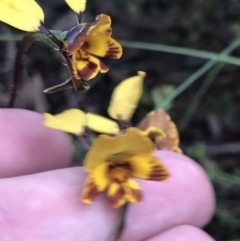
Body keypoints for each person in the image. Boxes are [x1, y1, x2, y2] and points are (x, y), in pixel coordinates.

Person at [0, 109, 215, 241]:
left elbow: (159, 173)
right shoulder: (99, 177)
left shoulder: (145, 169)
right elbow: (89, 193)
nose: (121, 176)